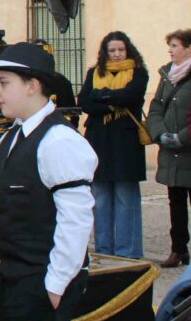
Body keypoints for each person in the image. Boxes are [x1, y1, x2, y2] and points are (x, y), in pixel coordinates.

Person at [0, 43, 96, 321]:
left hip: (42, 282)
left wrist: (54, 286)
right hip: (14, 281)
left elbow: (75, 225)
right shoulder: (8, 139)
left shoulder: (60, 141)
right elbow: (3, 211)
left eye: (4, 83)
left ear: (33, 85)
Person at [76, 31, 148, 259]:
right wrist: (109, 103)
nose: (117, 54)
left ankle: (128, 252)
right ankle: (104, 251)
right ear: (105, 52)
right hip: (99, 141)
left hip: (126, 143)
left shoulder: (138, 72)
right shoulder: (93, 73)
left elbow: (132, 96)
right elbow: (84, 101)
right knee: (101, 198)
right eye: (112, 50)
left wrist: (103, 96)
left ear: (128, 50)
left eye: (121, 50)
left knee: (126, 199)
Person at [146, 29, 191, 268]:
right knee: (176, 204)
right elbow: (155, 108)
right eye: (170, 46)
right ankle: (179, 250)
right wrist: (159, 132)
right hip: (171, 152)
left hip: (187, 150)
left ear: (188, 48)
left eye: (175, 46)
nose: (171, 51)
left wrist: (181, 137)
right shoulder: (167, 76)